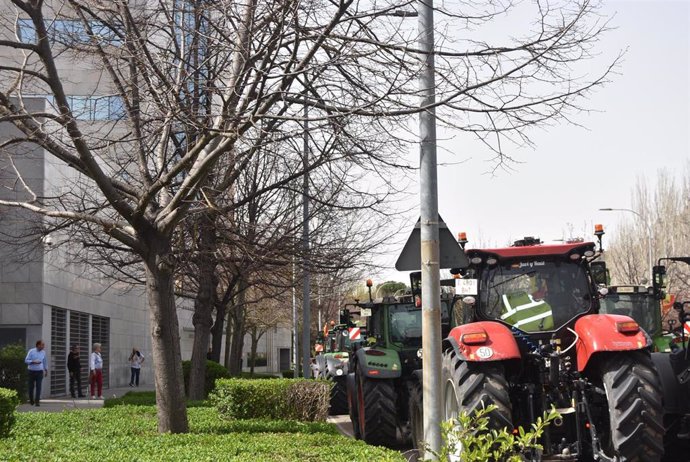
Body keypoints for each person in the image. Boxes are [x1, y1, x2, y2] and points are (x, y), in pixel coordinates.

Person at [25, 340, 48, 406]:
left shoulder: (43, 352)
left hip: (39, 372)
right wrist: (33, 362)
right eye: (42, 345)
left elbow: (45, 362)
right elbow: (26, 360)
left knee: (39, 386)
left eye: (43, 345)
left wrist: (46, 370)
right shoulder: (31, 351)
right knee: (31, 387)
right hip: (31, 371)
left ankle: (37, 401)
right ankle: (31, 400)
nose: (43, 346)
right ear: (38, 345)